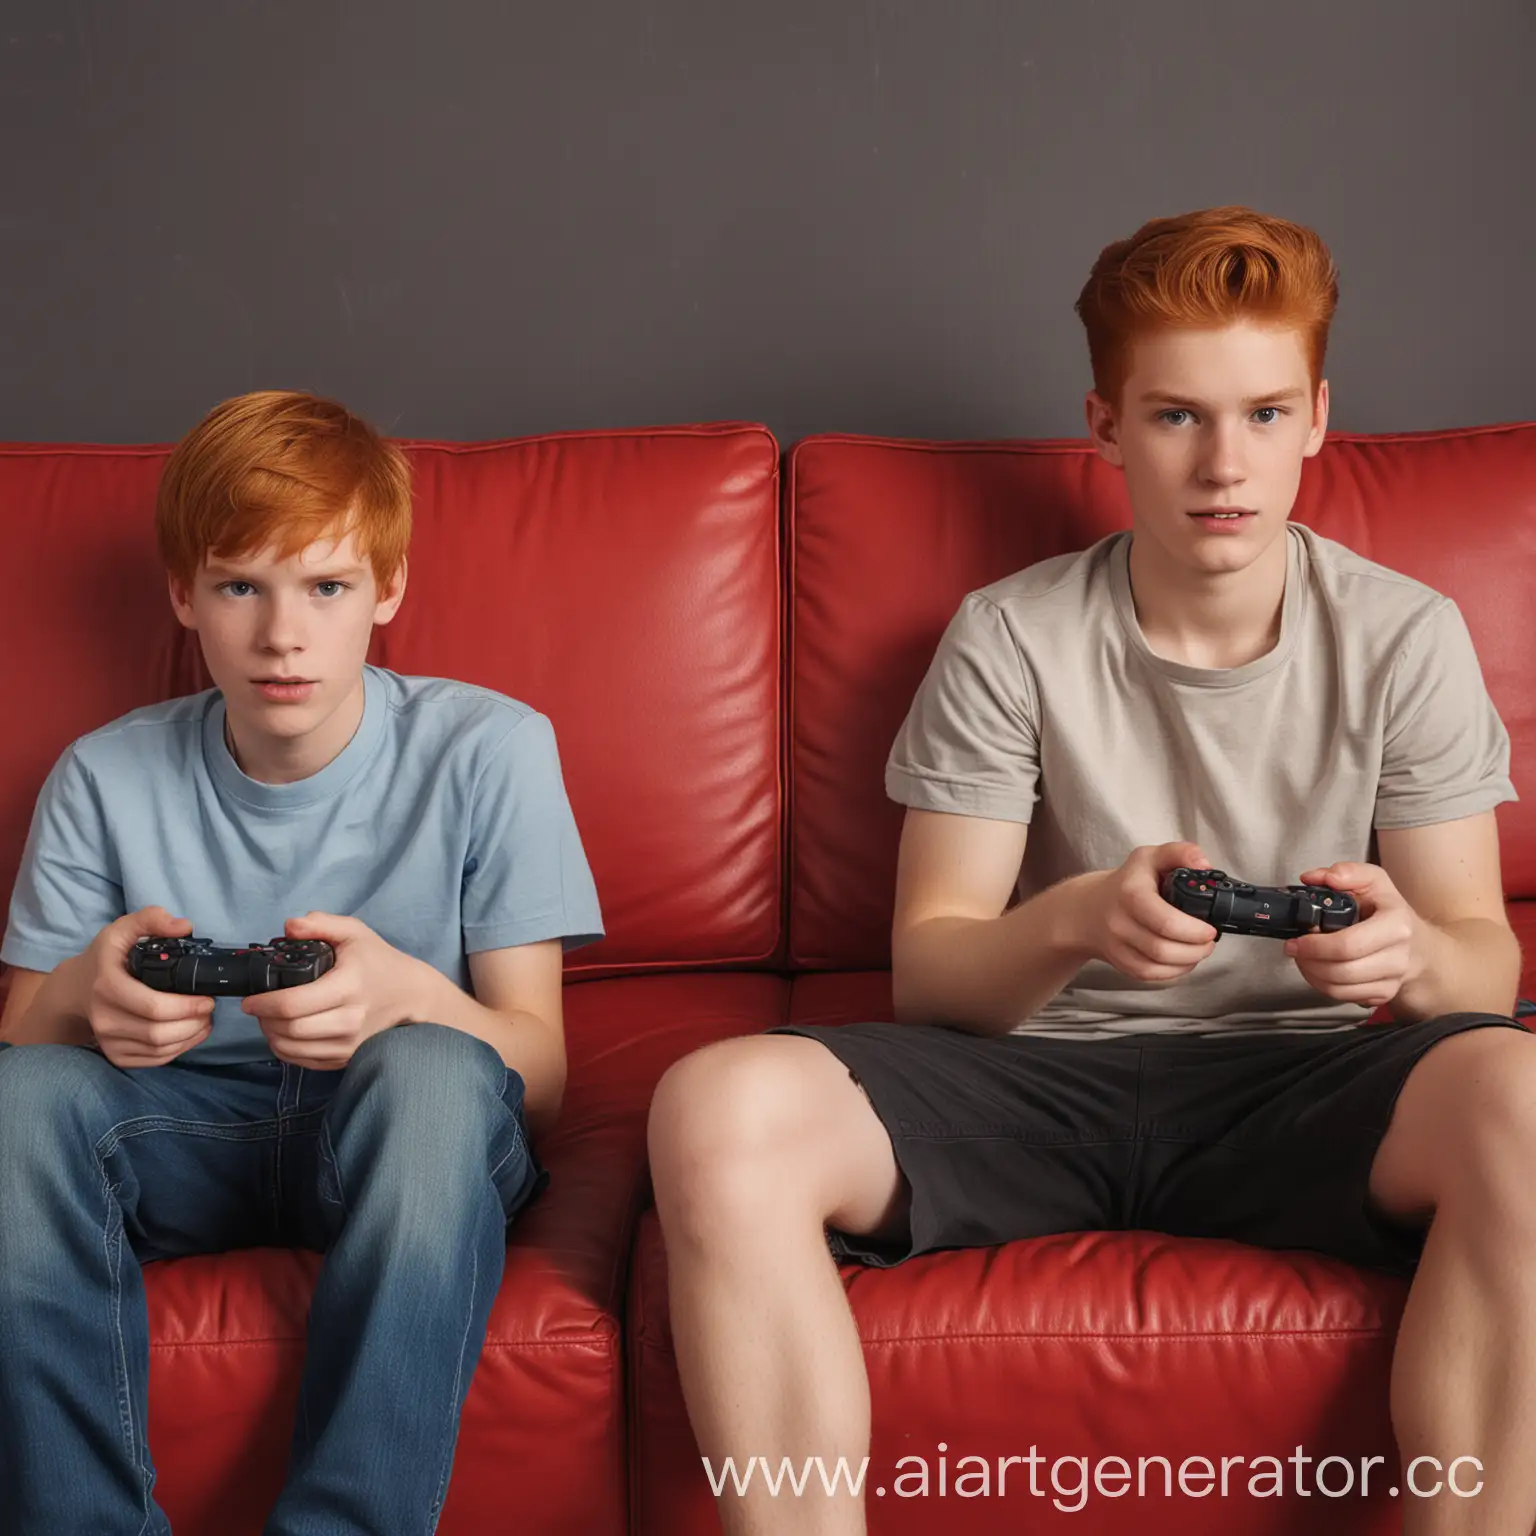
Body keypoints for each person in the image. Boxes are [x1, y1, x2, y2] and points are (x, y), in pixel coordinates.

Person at [647, 207, 1531, 1536]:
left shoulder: (1408, 636)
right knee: (715, 1103)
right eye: (1176, 416)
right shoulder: (1010, 636)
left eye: (1264, 414)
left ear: (1319, 418)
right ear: (1105, 424)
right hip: (1039, 1081)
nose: (1225, 464)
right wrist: (1073, 920)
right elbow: (934, 973)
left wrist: (1408, 954)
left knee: (1526, 1092)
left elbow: (1487, 961)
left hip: (1307, 1078)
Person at [0, 390, 603, 1535]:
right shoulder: (100, 774)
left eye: (327, 587)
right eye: (241, 586)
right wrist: (88, 997)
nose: (285, 635)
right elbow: (23, 1033)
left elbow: (545, 1073)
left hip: (392, 1142)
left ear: (389, 590)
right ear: (183, 595)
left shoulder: (494, 750)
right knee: (12, 1100)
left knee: (428, 1074)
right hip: (172, 1132)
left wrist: (412, 999)